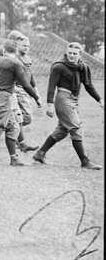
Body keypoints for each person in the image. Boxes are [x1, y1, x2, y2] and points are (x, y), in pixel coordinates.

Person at [33, 42, 103, 170]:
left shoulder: (83, 68)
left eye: (75, 54)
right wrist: (49, 105)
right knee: (75, 128)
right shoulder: (58, 67)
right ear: (66, 53)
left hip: (74, 100)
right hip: (62, 98)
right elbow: (51, 86)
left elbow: (88, 85)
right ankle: (85, 161)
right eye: (70, 53)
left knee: (62, 131)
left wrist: (100, 100)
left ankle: (40, 153)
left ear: (80, 54)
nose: (72, 56)